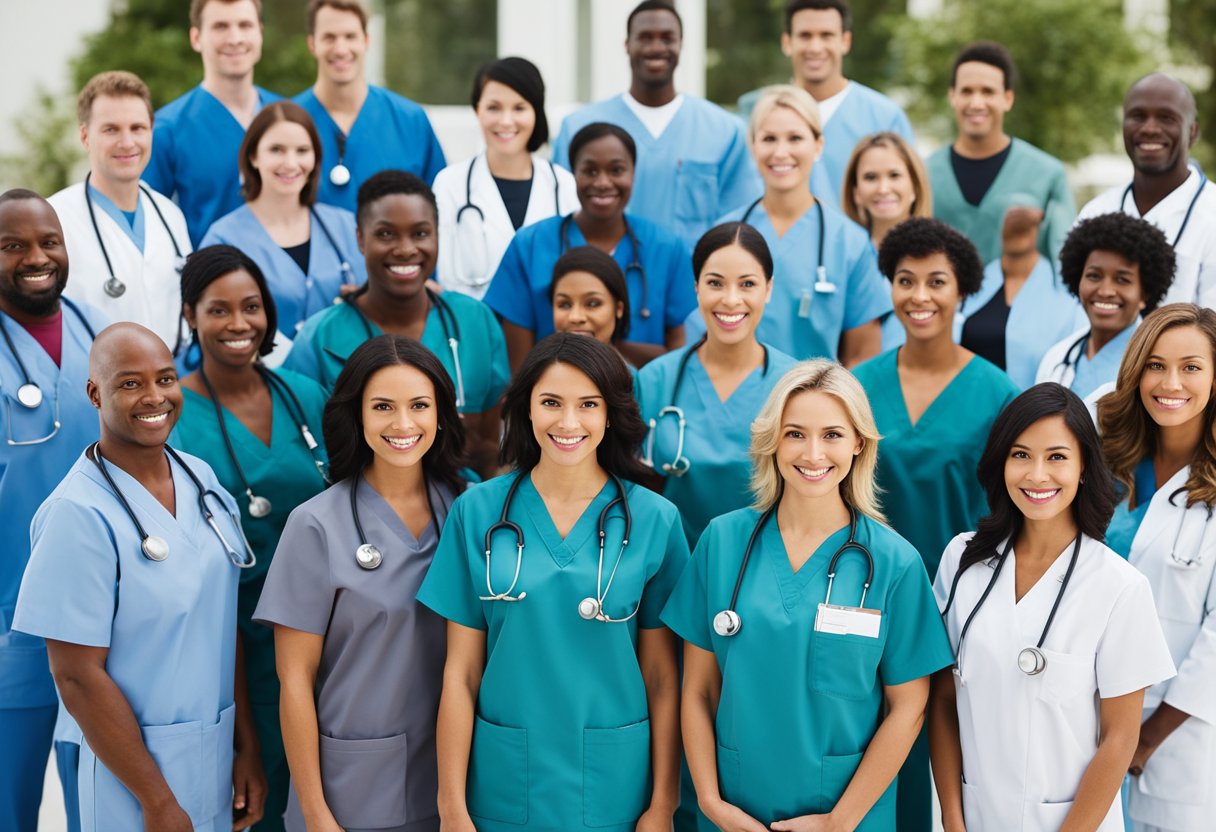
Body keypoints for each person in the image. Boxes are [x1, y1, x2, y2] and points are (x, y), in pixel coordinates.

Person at [661, 359, 954, 830]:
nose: (813, 453)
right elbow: (696, 690)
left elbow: (909, 707)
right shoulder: (722, 543)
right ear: (772, 439)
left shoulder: (895, 564)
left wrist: (840, 820)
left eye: (832, 435)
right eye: (795, 433)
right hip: (735, 811)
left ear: (859, 442)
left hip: (846, 817)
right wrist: (712, 804)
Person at [418, 333, 689, 832]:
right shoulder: (476, 512)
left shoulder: (656, 521)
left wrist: (663, 804)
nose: (568, 422)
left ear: (611, 414)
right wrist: (451, 806)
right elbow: (460, 673)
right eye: (550, 403)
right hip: (505, 784)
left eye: (588, 404)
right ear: (525, 411)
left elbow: (663, 678)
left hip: (616, 790)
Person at [13, 322, 267, 832]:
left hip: (213, 752)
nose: (154, 397)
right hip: (129, 774)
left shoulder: (201, 480)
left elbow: (220, 622)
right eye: (130, 383)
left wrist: (247, 747)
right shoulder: (76, 514)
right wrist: (156, 800)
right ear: (94, 393)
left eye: (166, 379)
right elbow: (76, 677)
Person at [930, 383, 1176, 831]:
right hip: (973, 817)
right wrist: (951, 817)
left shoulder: (1118, 587)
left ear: (1084, 467)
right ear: (1000, 462)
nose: (1037, 475)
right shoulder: (962, 561)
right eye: (1020, 455)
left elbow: (1119, 738)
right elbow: (944, 701)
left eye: (1057, 457)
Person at [254, 335, 467, 832]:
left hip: (457, 788)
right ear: (358, 415)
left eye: (419, 405)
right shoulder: (316, 525)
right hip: (352, 792)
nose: (403, 424)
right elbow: (294, 682)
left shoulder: (468, 511)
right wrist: (314, 811)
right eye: (383, 407)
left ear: (441, 414)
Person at [852, 218, 1016, 832]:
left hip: (959, 598)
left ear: (963, 290)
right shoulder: (857, 386)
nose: (919, 296)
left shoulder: (998, 393)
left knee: (948, 747)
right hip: (866, 593)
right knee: (867, 743)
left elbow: (1012, 503)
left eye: (936, 282)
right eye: (905, 280)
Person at [170, 246, 330, 832]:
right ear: (190, 315)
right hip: (233, 640)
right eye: (219, 310)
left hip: (327, 638)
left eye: (252, 307)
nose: (239, 324)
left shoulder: (304, 396)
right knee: (258, 801)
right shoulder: (175, 413)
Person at [0, 191, 107, 832]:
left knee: (94, 800)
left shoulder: (100, 331)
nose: (37, 258)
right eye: (13, 246)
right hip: (10, 623)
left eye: (49, 242)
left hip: (98, 623)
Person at [285, 170, 507, 476]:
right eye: (386, 234)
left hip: (462, 508)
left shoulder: (474, 320)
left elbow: (489, 448)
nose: (405, 249)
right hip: (357, 513)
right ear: (361, 239)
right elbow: (304, 451)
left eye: (420, 233)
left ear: (437, 235)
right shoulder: (320, 337)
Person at [1097, 304, 1216, 832]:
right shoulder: (1106, 461)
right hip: (1086, 716)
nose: (1171, 382)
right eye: (1155, 365)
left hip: (1176, 742)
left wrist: (1145, 739)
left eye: (1191, 366)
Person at [690, 85, 890, 366]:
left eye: (795, 138)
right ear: (753, 145)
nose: (781, 152)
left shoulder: (849, 243)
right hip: (738, 402)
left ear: (818, 145)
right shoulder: (723, 235)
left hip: (816, 403)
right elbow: (701, 336)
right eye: (769, 138)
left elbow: (862, 355)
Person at [486, 122, 695, 370]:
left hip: (642, 399)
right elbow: (518, 364)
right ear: (574, 173)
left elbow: (677, 356)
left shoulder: (666, 248)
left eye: (617, 170)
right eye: (590, 171)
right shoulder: (529, 245)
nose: (603, 182)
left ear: (633, 174)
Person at [550, 1, 760, 248]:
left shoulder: (725, 131)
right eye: (645, 38)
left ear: (681, 44)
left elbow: (740, 227)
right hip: (601, 279)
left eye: (667, 38)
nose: (656, 47)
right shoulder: (578, 128)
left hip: (691, 282)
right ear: (627, 45)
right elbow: (560, 220)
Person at [638, 222, 796, 543]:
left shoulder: (795, 386)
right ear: (696, 287)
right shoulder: (653, 381)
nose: (731, 299)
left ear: (769, 289)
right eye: (715, 283)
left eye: (747, 284)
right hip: (670, 572)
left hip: (761, 572)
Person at [49, 71, 192, 351]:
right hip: (92, 388)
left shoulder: (170, 215)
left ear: (151, 130)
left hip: (172, 384)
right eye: (111, 129)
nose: (127, 142)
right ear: (85, 136)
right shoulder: (55, 219)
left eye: (137, 128)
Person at [202, 101, 365, 337]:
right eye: (276, 149)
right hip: (258, 372)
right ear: (253, 157)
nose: (290, 163)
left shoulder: (346, 227)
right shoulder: (222, 239)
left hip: (343, 370)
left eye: (302, 151)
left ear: (316, 158)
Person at [737, 0, 916, 211]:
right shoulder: (755, 112)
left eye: (826, 35)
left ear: (845, 41)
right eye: (805, 36)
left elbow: (907, 202)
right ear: (787, 42)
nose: (815, 47)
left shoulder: (884, 116)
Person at [433, 57, 577, 299]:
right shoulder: (450, 184)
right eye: (494, 108)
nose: (506, 121)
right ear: (477, 110)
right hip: (473, 329)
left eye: (519, 108)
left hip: (550, 334)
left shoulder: (564, 186)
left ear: (536, 112)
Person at [145, 0, 281, 246]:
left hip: (288, 278)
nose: (235, 38)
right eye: (220, 26)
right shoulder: (167, 130)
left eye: (245, 25)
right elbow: (149, 227)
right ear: (196, 38)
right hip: (207, 279)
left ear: (260, 33)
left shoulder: (288, 118)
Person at [1075, 74, 1216, 309]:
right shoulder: (1096, 211)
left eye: (1166, 118)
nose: (1150, 128)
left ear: (1192, 132)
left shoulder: (1211, 212)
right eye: (1137, 116)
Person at [927, 41, 1075, 264]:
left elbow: (1064, 262)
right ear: (952, 97)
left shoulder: (1048, 175)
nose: (976, 103)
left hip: (1025, 299)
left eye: (988, 92)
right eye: (966, 91)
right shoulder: (923, 174)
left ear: (1008, 99)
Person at [295, 0, 445, 212]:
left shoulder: (411, 121)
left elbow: (439, 210)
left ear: (366, 40)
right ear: (312, 44)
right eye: (329, 37)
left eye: (350, 36)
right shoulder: (288, 121)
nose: (340, 49)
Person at [1036, 213, 1176, 402]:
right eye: (1094, 276)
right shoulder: (1057, 357)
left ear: (1145, 294)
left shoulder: (1156, 364)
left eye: (1122, 279)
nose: (1105, 291)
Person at [959, 204, 1086, 389]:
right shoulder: (972, 285)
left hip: (1030, 412)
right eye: (1010, 210)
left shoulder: (1068, 297)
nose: (1018, 215)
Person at [842, 132, 933, 251]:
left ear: (915, 186)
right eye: (870, 177)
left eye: (894, 175)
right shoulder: (843, 252)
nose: (883, 189)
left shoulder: (939, 253)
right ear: (856, 192)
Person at [549, 246, 633, 366]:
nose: (575, 317)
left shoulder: (637, 382)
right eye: (565, 304)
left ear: (618, 309)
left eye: (593, 304)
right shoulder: (538, 379)